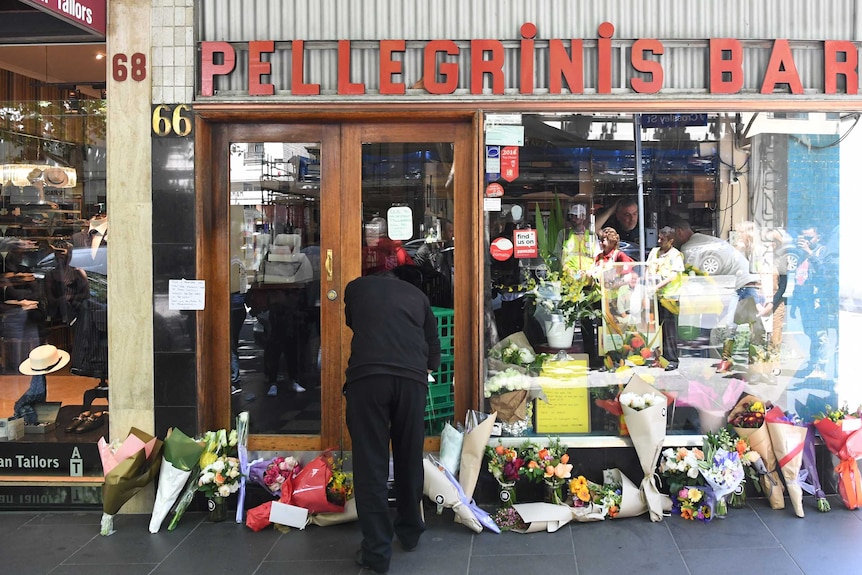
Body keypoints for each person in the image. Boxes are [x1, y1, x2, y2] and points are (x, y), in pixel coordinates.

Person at [343, 264, 441, 575]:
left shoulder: (355, 288)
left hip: (368, 379)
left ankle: (376, 552)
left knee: (370, 462)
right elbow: (433, 343)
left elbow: (353, 322)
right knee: (409, 455)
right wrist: (426, 369)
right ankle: (410, 531)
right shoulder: (417, 295)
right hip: (412, 379)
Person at [646, 226, 685, 371]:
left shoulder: (676, 256)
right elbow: (647, 268)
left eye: (662, 239)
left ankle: (672, 360)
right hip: (655, 296)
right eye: (659, 238)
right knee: (656, 330)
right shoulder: (655, 252)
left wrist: (657, 286)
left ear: (671, 241)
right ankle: (659, 358)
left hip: (670, 298)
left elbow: (673, 276)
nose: (659, 241)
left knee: (669, 331)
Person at [793, 225, 828, 378]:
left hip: (816, 300)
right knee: (811, 332)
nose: (805, 242)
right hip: (804, 300)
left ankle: (821, 367)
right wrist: (794, 304)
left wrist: (810, 253)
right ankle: (813, 363)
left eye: (809, 238)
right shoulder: (802, 255)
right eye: (803, 238)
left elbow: (825, 274)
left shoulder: (822, 252)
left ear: (818, 237)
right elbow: (799, 278)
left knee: (820, 334)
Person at [413, 218, 454, 307]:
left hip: (446, 292)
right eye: (450, 231)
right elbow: (416, 271)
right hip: (432, 293)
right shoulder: (426, 249)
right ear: (441, 232)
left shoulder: (449, 248)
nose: (452, 234)